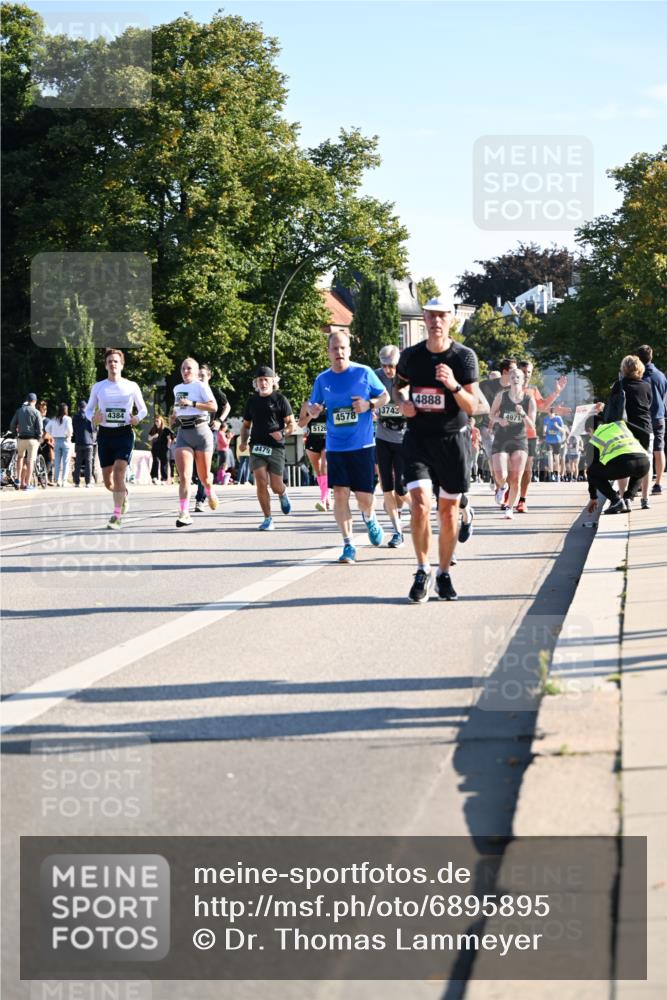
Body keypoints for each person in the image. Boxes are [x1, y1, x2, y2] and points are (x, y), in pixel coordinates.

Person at [393, 296, 480, 601]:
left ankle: (443, 572)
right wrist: (403, 403)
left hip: (452, 441)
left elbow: (473, 406)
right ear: (424, 319)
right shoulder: (411, 356)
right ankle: (422, 569)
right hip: (418, 439)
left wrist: (453, 385)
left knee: (448, 511)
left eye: (442, 316)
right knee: (419, 505)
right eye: (431, 316)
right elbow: (398, 387)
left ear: (451, 320)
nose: (436, 321)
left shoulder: (464, 357)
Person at [308, 332, 389, 562]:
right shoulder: (322, 379)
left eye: (343, 348)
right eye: (334, 348)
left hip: (362, 444)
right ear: (328, 352)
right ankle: (348, 544)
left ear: (349, 350)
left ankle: (370, 517)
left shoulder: (364, 372)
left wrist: (369, 404)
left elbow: (384, 396)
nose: (339, 352)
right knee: (340, 494)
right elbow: (313, 406)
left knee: (364, 498)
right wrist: (313, 411)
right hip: (335, 446)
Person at [85, 348, 147, 529]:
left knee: (119, 471)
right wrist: (93, 418)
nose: (113, 364)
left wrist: (137, 418)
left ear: (122, 365)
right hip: (105, 435)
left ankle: (116, 516)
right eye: (110, 361)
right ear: (106, 365)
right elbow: (89, 410)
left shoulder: (131, 386)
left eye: (116, 361)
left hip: (124, 433)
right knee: (108, 482)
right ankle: (123, 494)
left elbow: (143, 409)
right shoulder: (99, 387)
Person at [240, 366, 295, 531]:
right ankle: (268, 518)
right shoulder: (252, 401)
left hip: (276, 447)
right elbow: (246, 425)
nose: (263, 383)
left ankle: (283, 493)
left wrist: (282, 433)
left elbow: (291, 424)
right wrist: (243, 441)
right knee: (261, 482)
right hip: (257, 446)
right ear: (256, 383)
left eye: (266, 380)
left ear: (272, 381)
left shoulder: (280, 399)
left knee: (276, 486)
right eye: (260, 380)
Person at [171, 357, 218, 527]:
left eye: (189, 368)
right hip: (183, 432)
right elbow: (178, 408)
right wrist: (173, 416)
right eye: (183, 368)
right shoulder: (177, 388)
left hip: (201, 431)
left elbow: (213, 407)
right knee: (184, 476)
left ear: (197, 371)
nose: (185, 371)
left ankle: (209, 490)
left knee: (204, 477)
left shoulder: (201, 386)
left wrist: (192, 403)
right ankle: (184, 513)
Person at [516, 360, 568, 511]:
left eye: (529, 372)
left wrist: (557, 392)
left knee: (527, 467)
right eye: (524, 371)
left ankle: (522, 500)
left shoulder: (532, 389)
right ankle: (508, 491)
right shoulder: (508, 389)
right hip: (510, 434)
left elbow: (543, 406)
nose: (527, 375)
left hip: (529, 434)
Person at [374, 344, 410, 547]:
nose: (388, 370)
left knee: (401, 489)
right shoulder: (375, 376)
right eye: (384, 365)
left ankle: (420, 510)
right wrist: (371, 406)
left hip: (404, 437)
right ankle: (398, 532)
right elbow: (364, 394)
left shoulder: (408, 376)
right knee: (386, 487)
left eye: (392, 366)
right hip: (383, 436)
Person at [489, 367, 537, 519]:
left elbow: (532, 425)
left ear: (523, 380)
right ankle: (503, 486)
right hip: (501, 438)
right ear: (509, 380)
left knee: (516, 478)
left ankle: (509, 508)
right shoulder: (501, 396)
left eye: (518, 377)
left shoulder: (529, 399)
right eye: (512, 377)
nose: (515, 379)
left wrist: (522, 413)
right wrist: (499, 420)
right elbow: (491, 414)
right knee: (501, 475)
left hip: (519, 440)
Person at [586, 406, 650, 515]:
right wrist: (643, 451)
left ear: (590, 430)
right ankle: (627, 498)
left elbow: (592, 469)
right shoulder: (619, 424)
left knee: (592, 472)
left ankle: (616, 500)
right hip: (644, 463)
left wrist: (593, 497)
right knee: (638, 470)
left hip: (623, 465)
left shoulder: (595, 438)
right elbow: (646, 434)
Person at [193, 363, 230, 513]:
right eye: (198, 375)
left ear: (209, 376)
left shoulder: (215, 391)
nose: (200, 378)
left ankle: (200, 499)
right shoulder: (192, 390)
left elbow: (227, 406)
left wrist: (219, 420)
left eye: (203, 375)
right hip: (192, 431)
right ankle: (208, 481)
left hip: (209, 432)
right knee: (196, 469)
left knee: (203, 466)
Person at [636, 344, 667, 505]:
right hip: (659, 416)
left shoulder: (638, 376)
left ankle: (642, 484)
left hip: (643, 418)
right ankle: (658, 484)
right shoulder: (661, 376)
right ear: (651, 356)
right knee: (659, 449)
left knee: (643, 452)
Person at [298, 401, 330, 511]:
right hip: (312, 441)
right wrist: (311, 415)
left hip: (328, 439)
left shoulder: (330, 401)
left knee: (324, 466)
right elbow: (300, 424)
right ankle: (326, 494)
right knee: (318, 471)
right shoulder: (306, 405)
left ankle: (323, 499)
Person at [10, 392, 42, 490]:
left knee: (20, 457)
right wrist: (39, 437)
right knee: (30, 461)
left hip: (21, 438)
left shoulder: (19, 410)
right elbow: (40, 428)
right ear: (35, 401)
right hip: (32, 439)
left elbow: (12, 424)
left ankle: (18, 479)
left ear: (27, 400)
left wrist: (15, 434)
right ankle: (27, 484)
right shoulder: (36, 412)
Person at [46, 403, 74, 487]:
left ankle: (57, 480)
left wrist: (52, 434)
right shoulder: (68, 418)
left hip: (56, 441)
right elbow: (70, 430)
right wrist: (69, 435)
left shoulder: (54, 419)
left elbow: (46, 428)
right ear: (66, 410)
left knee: (57, 462)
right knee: (66, 462)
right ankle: (64, 481)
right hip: (65, 440)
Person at [71, 399, 95, 487]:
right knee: (88, 463)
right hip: (88, 442)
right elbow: (93, 429)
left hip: (78, 441)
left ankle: (76, 482)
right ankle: (88, 482)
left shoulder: (75, 416)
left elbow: (74, 428)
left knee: (78, 462)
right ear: (86, 407)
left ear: (78, 407)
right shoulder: (89, 416)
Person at [543, 406, 567, 480]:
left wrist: (557, 426)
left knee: (556, 458)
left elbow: (563, 430)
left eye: (550, 414)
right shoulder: (546, 419)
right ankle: (551, 473)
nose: (549, 415)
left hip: (557, 440)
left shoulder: (558, 418)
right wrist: (544, 431)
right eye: (548, 413)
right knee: (549, 455)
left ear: (553, 413)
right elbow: (545, 426)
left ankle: (557, 474)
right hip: (548, 440)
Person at [148, 415, 172, 484]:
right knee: (155, 461)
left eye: (157, 421)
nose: (156, 422)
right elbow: (149, 438)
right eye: (155, 421)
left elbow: (169, 439)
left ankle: (164, 479)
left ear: (161, 421)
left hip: (164, 448)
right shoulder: (153, 429)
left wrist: (168, 447)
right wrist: (153, 436)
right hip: (155, 448)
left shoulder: (166, 429)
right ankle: (154, 477)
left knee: (164, 463)